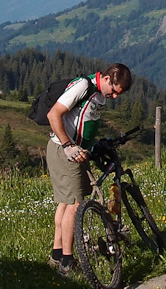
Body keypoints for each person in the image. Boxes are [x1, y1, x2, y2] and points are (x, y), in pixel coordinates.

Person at [46, 63, 132, 276]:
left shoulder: (96, 92)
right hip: (64, 151)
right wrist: (68, 146)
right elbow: (53, 114)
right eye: (113, 92)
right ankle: (67, 262)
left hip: (76, 151)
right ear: (107, 78)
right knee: (75, 205)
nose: (113, 97)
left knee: (66, 203)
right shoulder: (83, 86)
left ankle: (57, 255)